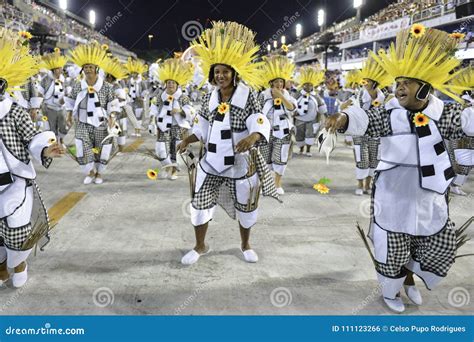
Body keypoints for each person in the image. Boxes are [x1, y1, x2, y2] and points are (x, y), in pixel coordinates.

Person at [326, 26, 470, 313]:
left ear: (426, 87)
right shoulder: (390, 115)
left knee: (429, 242)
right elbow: (365, 118)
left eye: (408, 82)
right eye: (398, 82)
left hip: (430, 196)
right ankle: (391, 290)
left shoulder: (446, 114)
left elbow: (469, 121)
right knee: (393, 245)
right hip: (394, 195)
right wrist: (342, 118)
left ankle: (410, 280)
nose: (400, 87)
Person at [177, 21, 278, 265]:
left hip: (240, 164)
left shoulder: (248, 95)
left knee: (247, 206)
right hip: (210, 162)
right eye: (217, 72)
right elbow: (202, 126)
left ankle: (245, 244)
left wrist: (253, 136)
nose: (220, 76)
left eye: (225, 71)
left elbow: (260, 120)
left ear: (234, 73)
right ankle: (200, 246)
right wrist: (188, 139)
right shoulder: (208, 96)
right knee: (199, 205)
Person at [0, 28, 63, 288]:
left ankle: (18, 264)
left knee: (16, 229)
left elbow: (32, 136)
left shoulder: (13, 111)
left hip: (15, 181)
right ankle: (5, 266)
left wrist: (45, 149)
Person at [65, 43, 120, 185]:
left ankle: (99, 172)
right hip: (82, 123)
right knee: (83, 148)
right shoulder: (77, 86)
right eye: (86, 67)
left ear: (96, 69)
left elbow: (113, 104)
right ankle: (90, 172)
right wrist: (69, 116)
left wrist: (112, 118)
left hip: (101, 123)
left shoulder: (107, 87)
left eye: (90, 67)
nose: (88, 70)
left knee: (103, 149)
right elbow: (70, 102)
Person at [149, 58, 194, 180]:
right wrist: (152, 121)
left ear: (177, 84)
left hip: (178, 127)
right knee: (161, 150)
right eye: (168, 83)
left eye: (172, 83)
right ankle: (167, 166)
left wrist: (180, 111)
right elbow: (153, 107)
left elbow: (191, 110)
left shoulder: (182, 97)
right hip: (163, 127)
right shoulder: (160, 96)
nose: (170, 85)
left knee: (176, 151)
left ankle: (174, 170)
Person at [258, 55, 297, 195]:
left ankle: (277, 184)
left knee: (280, 158)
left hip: (283, 132)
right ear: (271, 83)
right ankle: (265, 184)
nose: (279, 84)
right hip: (265, 133)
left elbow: (292, 108)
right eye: (276, 82)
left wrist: (281, 96)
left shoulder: (288, 95)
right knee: (264, 159)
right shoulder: (263, 96)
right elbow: (257, 113)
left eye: (281, 82)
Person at [294, 65, 327, 157]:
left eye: (310, 85)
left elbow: (321, 106)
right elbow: (291, 105)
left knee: (310, 135)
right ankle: (301, 149)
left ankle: (308, 150)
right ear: (302, 85)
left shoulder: (316, 95)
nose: (308, 86)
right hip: (299, 119)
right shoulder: (297, 94)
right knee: (299, 135)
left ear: (313, 86)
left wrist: (327, 117)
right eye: (306, 84)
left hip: (312, 119)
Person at [39, 48, 69, 144]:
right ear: (53, 69)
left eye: (61, 68)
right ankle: (55, 143)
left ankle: (61, 139)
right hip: (50, 107)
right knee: (52, 128)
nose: (60, 70)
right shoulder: (46, 79)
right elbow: (40, 92)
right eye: (58, 68)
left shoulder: (64, 79)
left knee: (64, 127)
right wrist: (39, 105)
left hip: (61, 108)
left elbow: (67, 92)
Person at [125, 58, 148, 137]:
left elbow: (146, 90)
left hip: (139, 101)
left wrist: (141, 96)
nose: (133, 74)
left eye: (134, 73)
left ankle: (138, 132)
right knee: (133, 116)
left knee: (139, 116)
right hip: (131, 100)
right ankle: (135, 130)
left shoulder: (141, 82)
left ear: (138, 73)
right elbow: (127, 89)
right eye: (132, 73)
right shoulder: (129, 81)